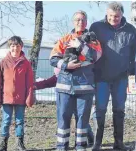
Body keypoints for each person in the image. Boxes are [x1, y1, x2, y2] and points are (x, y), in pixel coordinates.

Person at [89, 2, 136, 150]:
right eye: (111, 16)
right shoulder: (96, 27)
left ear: (122, 15)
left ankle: (119, 142)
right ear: (107, 13)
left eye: (117, 16)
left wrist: (130, 70)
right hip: (101, 77)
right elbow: (90, 49)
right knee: (100, 109)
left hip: (120, 78)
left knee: (119, 110)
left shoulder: (131, 31)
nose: (114, 19)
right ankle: (97, 143)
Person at [49, 10, 102, 151]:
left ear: (87, 22)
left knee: (82, 120)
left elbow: (95, 57)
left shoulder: (93, 40)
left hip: (85, 87)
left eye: (83, 20)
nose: (81, 22)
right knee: (63, 118)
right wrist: (66, 65)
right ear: (73, 22)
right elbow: (53, 58)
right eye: (78, 19)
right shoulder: (64, 39)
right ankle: (61, 146)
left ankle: (80, 146)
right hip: (64, 85)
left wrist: (79, 45)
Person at [33, 68, 94, 147]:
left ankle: (88, 138)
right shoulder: (58, 78)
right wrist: (34, 86)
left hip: (77, 98)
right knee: (79, 120)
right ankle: (87, 138)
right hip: (68, 99)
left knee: (80, 120)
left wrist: (34, 86)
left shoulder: (60, 77)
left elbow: (46, 83)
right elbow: (46, 83)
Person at [0, 36, 34, 151]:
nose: (15, 48)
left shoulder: (26, 63)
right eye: (12, 46)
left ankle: (19, 143)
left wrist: (29, 98)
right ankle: (2, 144)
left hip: (21, 99)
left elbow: (29, 82)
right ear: (9, 47)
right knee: (6, 121)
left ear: (21, 47)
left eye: (17, 46)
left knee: (20, 121)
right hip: (6, 98)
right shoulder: (3, 62)